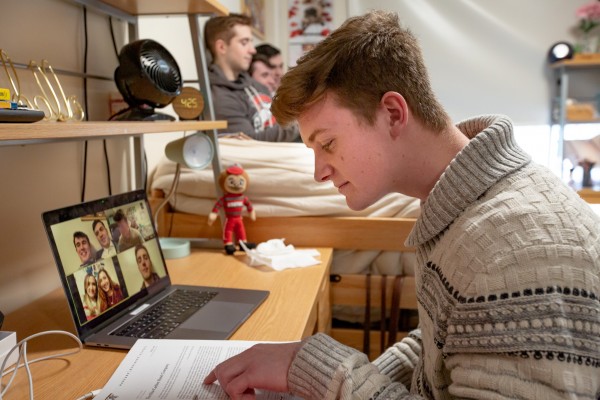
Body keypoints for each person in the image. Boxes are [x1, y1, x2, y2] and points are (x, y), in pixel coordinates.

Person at [203, 10, 600, 399]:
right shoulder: (459, 202)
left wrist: (319, 369)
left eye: (328, 144)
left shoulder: (517, 251)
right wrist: (355, 374)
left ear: (393, 113)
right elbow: (445, 342)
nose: (319, 172)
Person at [204, 14, 299, 142]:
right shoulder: (219, 97)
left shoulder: (255, 85)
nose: (252, 50)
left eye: (251, 42)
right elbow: (249, 143)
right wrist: (301, 122)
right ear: (222, 47)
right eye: (244, 43)